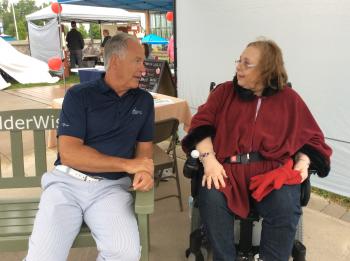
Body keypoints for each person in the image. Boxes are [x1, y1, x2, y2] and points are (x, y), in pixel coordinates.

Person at [181, 38, 332, 261]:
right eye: (239, 61)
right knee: (211, 198)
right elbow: (200, 125)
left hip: (271, 172)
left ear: (266, 70)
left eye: (246, 63)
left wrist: (303, 162)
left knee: (284, 206)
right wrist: (209, 159)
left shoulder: (289, 100)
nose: (238, 67)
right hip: (227, 170)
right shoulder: (224, 92)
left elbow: (311, 138)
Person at [25, 33, 155, 261]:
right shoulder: (79, 95)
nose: (144, 69)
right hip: (66, 185)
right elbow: (70, 154)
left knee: (124, 254)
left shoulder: (144, 101)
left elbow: (144, 152)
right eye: (138, 61)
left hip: (111, 189)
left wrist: (143, 171)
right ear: (115, 61)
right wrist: (129, 164)